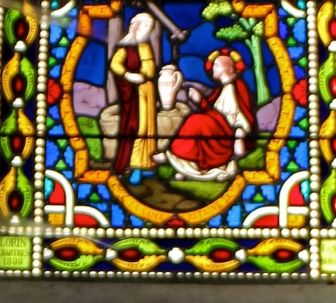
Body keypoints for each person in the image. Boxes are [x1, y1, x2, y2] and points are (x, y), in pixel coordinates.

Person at [155, 49, 255, 183]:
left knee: (196, 120)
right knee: (197, 121)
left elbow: (244, 114)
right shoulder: (221, 88)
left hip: (226, 132)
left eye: (216, 66)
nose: (213, 69)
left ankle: (173, 156)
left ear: (226, 67)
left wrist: (240, 133)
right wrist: (199, 99)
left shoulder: (239, 86)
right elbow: (212, 108)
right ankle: (182, 163)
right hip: (217, 125)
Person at [109, 13, 157, 179]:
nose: (147, 31)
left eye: (149, 28)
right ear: (135, 26)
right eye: (144, 26)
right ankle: (132, 165)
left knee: (149, 127)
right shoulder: (125, 47)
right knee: (135, 127)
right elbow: (115, 64)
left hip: (147, 91)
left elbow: (150, 69)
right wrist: (128, 75)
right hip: (134, 93)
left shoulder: (145, 46)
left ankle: (145, 164)